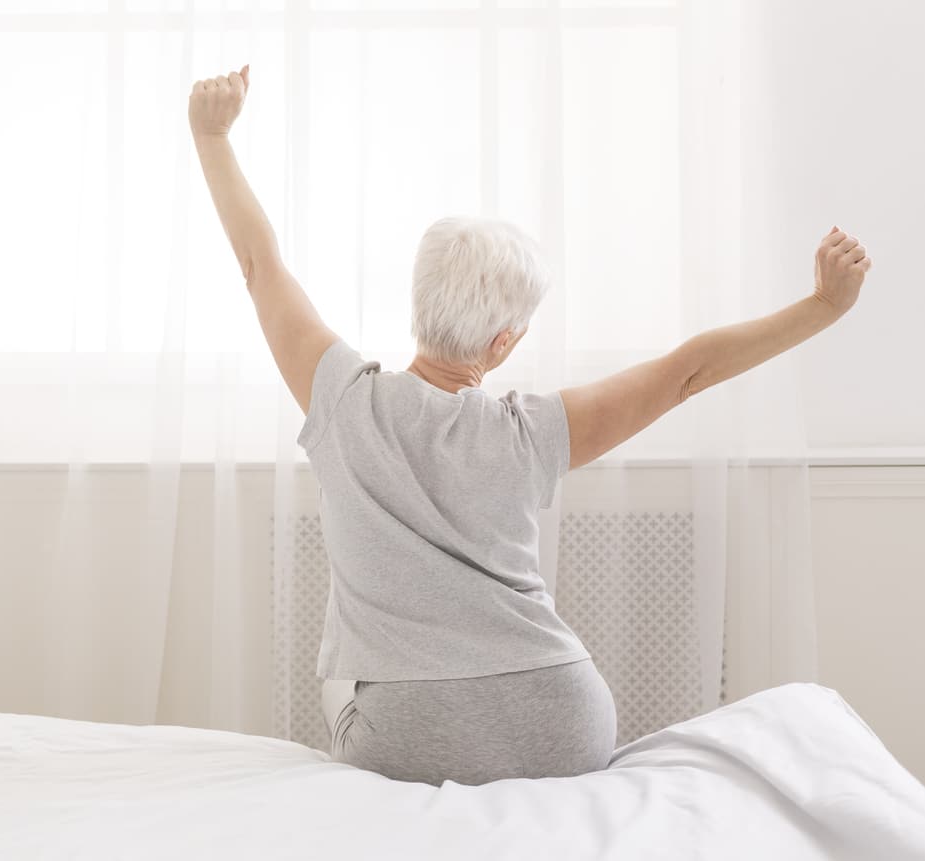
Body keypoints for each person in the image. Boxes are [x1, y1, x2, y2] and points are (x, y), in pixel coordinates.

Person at [188, 65, 872, 786]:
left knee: (339, 670)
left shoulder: (342, 401)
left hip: (410, 732)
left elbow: (259, 265)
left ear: (418, 304)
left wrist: (212, 137)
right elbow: (686, 372)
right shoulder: (533, 432)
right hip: (563, 719)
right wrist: (822, 306)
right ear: (503, 342)